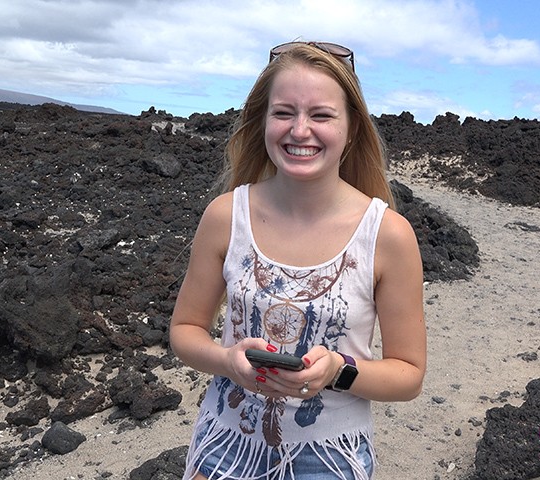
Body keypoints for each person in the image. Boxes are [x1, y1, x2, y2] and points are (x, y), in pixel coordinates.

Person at [169, 41, 426, 480]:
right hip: (225, 445)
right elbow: (184, 331)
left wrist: (337, 372)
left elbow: (409, 375)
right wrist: (228, 360)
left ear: (352, 128)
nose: (300, 130)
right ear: (264, 121)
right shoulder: (226, 215)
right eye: (284, 112)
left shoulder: (387, 235)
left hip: (328, 456)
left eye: (321, 115)